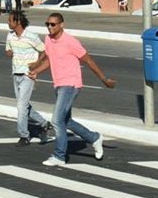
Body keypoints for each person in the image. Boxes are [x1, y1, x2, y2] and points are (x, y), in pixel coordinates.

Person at [27, 12, 116, 166]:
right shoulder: (48, 39)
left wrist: (103, 79)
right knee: (65, 121)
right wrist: (36, 71)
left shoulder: (70, 42)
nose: (49, 27)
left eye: (53, 24)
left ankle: (59, 156)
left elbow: (88, 60)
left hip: (71, 84)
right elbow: (50, 60)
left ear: (61, 25)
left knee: (56, 120)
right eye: (47, 24)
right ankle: (94, 138)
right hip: (59, 84)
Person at [5, 11, 52, 145]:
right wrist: (9, 53)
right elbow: (8, 51)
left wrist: (37, 64)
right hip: (16, 73)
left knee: (21, 105)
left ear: (18, 22)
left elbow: (44, 51)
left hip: (28, 75)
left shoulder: (31, 36)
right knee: (23, 105)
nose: (8, 23)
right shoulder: (10, 36)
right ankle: (44, 123)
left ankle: (24, 136)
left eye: (10, 20)